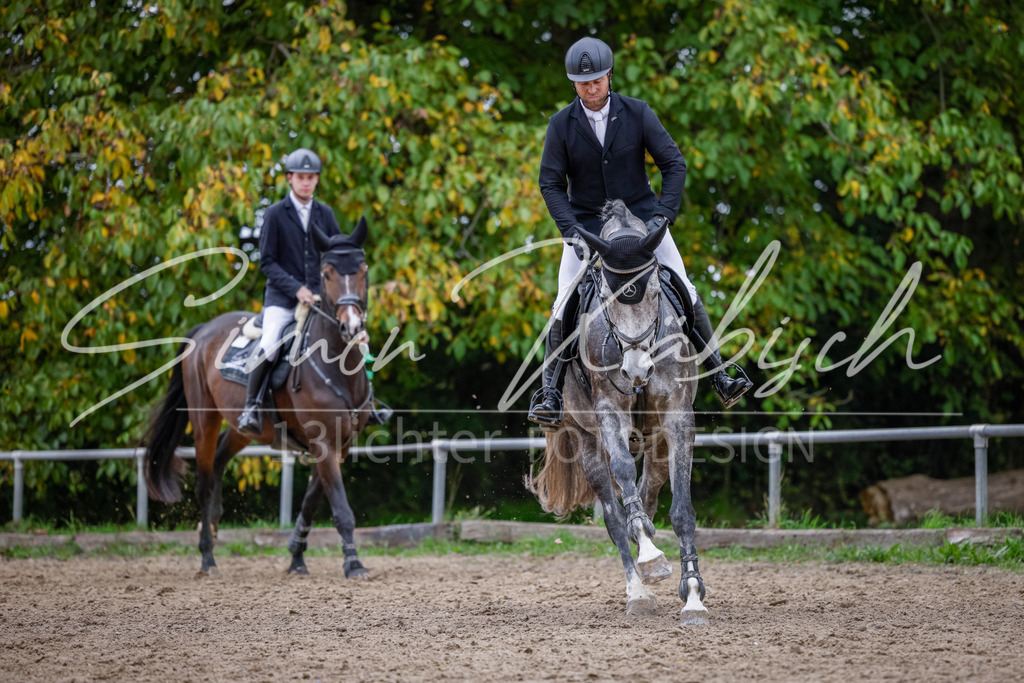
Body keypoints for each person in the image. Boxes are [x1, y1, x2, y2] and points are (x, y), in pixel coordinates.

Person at [528, 37, 752, 427]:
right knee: (563, 303)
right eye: (583, 83)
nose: (591, 89)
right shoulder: (560, 125)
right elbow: (550, 183)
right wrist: (572, 232)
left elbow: (674, 164)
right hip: (589, 229)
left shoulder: (638, 112)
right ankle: (550, 394)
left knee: (684, 285)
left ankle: (720, 373)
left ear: (609, 76)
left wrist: (663, 218)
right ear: (573, 83)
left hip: (643, 224)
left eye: (597, 80)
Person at [238, 148, 391, 435]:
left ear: (317, 180)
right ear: (290, 179)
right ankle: (251, 407)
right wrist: (297, 289)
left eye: (311, 178)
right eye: (301, 177)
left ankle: (367, 404)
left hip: (321, 299)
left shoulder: (325, 213)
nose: (306, 182)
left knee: (358, 339)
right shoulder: (275, 214)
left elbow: (335, 255)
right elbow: (267, 262)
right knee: (270, 344)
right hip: (283, 299)